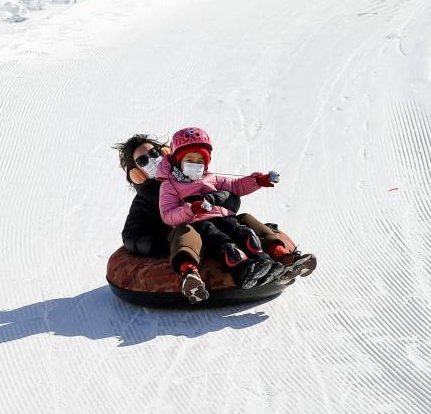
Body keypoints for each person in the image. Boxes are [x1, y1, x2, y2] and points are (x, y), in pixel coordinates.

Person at [114, 132, 316, 304]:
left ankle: (282, 256)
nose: (152, 160)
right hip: (189, 237)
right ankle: (193, 273)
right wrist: (161, 246)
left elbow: (233, 195)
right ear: (137, 173)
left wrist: (217, 197)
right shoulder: (147, 198)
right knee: (188, 232)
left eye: (154, 153)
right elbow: (133, 235)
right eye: (143, 160)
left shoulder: (197, 174)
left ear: (166, 152)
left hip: (219, 221)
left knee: (244, 221)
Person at [158, 127, 284, 292]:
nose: (195, 165)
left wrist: (258, 181)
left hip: (224, 217)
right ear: (177, 160)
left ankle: (265, 262)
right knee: (222, 240)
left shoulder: (212, 178)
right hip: (199, 223)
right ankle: (243, 271)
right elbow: (168, 215)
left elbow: (236, 186)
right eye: (189, 160)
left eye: (200, 161)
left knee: (245, 232)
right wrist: (191, 209)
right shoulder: (170, 186)